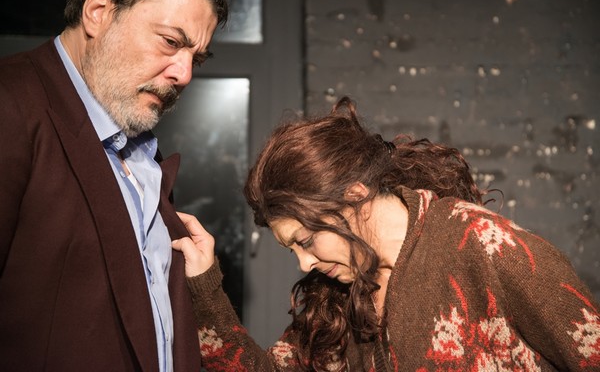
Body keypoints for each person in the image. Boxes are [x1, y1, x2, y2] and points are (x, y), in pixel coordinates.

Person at [173, 96, 600, 371]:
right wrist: (205, 284)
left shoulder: (483, 245)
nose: (305, 264)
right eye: (292, 250)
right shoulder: (335, 295)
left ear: (355, 196)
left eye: (305, 241)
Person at [0, 0, 228, 370]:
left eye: (197, 58)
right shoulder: (11, 104)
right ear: (98, 11)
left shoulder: (139, 149)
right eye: (170, 41)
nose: (185, 74)